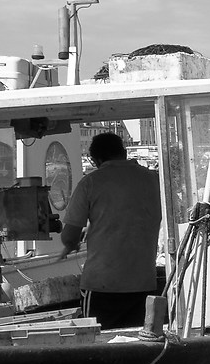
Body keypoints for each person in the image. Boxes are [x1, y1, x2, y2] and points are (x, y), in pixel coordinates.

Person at [59, 132, 163, 329]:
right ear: (123, 152)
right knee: (140, 346)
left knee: (99, 347)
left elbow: (69, 236)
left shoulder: (90, 183)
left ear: (96, 160)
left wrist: (71, 243)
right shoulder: (153, 180)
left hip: (102, 286)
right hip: (144, 283)